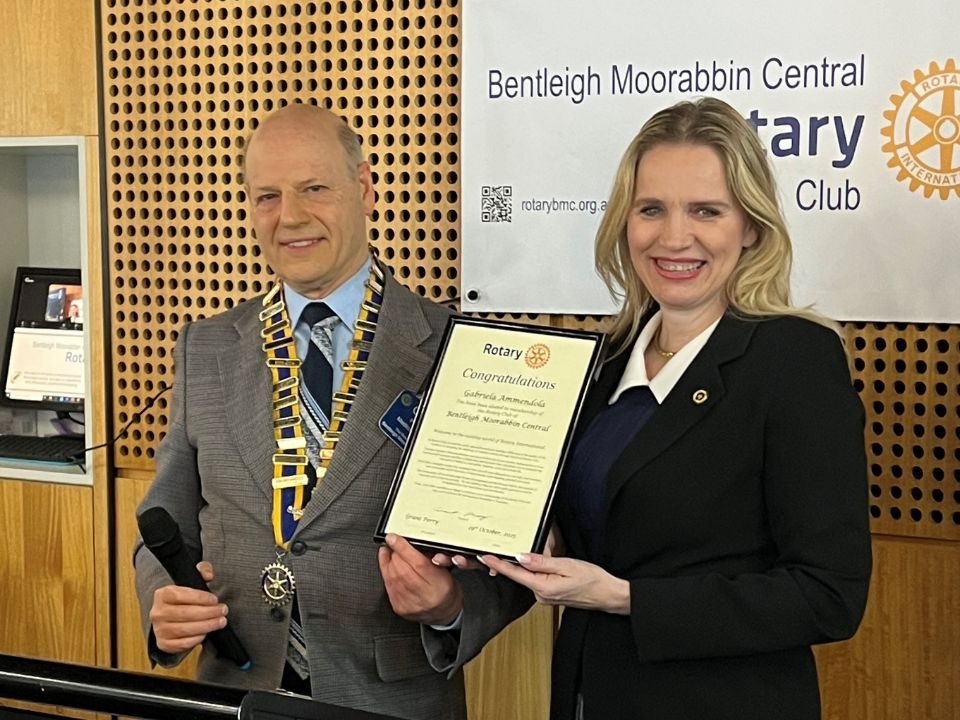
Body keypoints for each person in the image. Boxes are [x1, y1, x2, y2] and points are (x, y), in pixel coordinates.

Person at [134, 103, 529, 720]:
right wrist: (164, 597)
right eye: (267, 196)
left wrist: (453, 605)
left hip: (391, 702)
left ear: (365, 188)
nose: (289, 217)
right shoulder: (205, 348)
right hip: (235, 692)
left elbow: (506, 556)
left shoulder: (458, 351)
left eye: (314, 188)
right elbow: (165, 520)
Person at [481, 98, 872, 720]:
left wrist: (627, 598)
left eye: (706, 211)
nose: (673, 237)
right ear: (624, 221)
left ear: (750, 226)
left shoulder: (794, 360)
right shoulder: (603, 361)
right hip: (588, 694)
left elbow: (829, 594)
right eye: (652, 209)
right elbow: (595, 520)